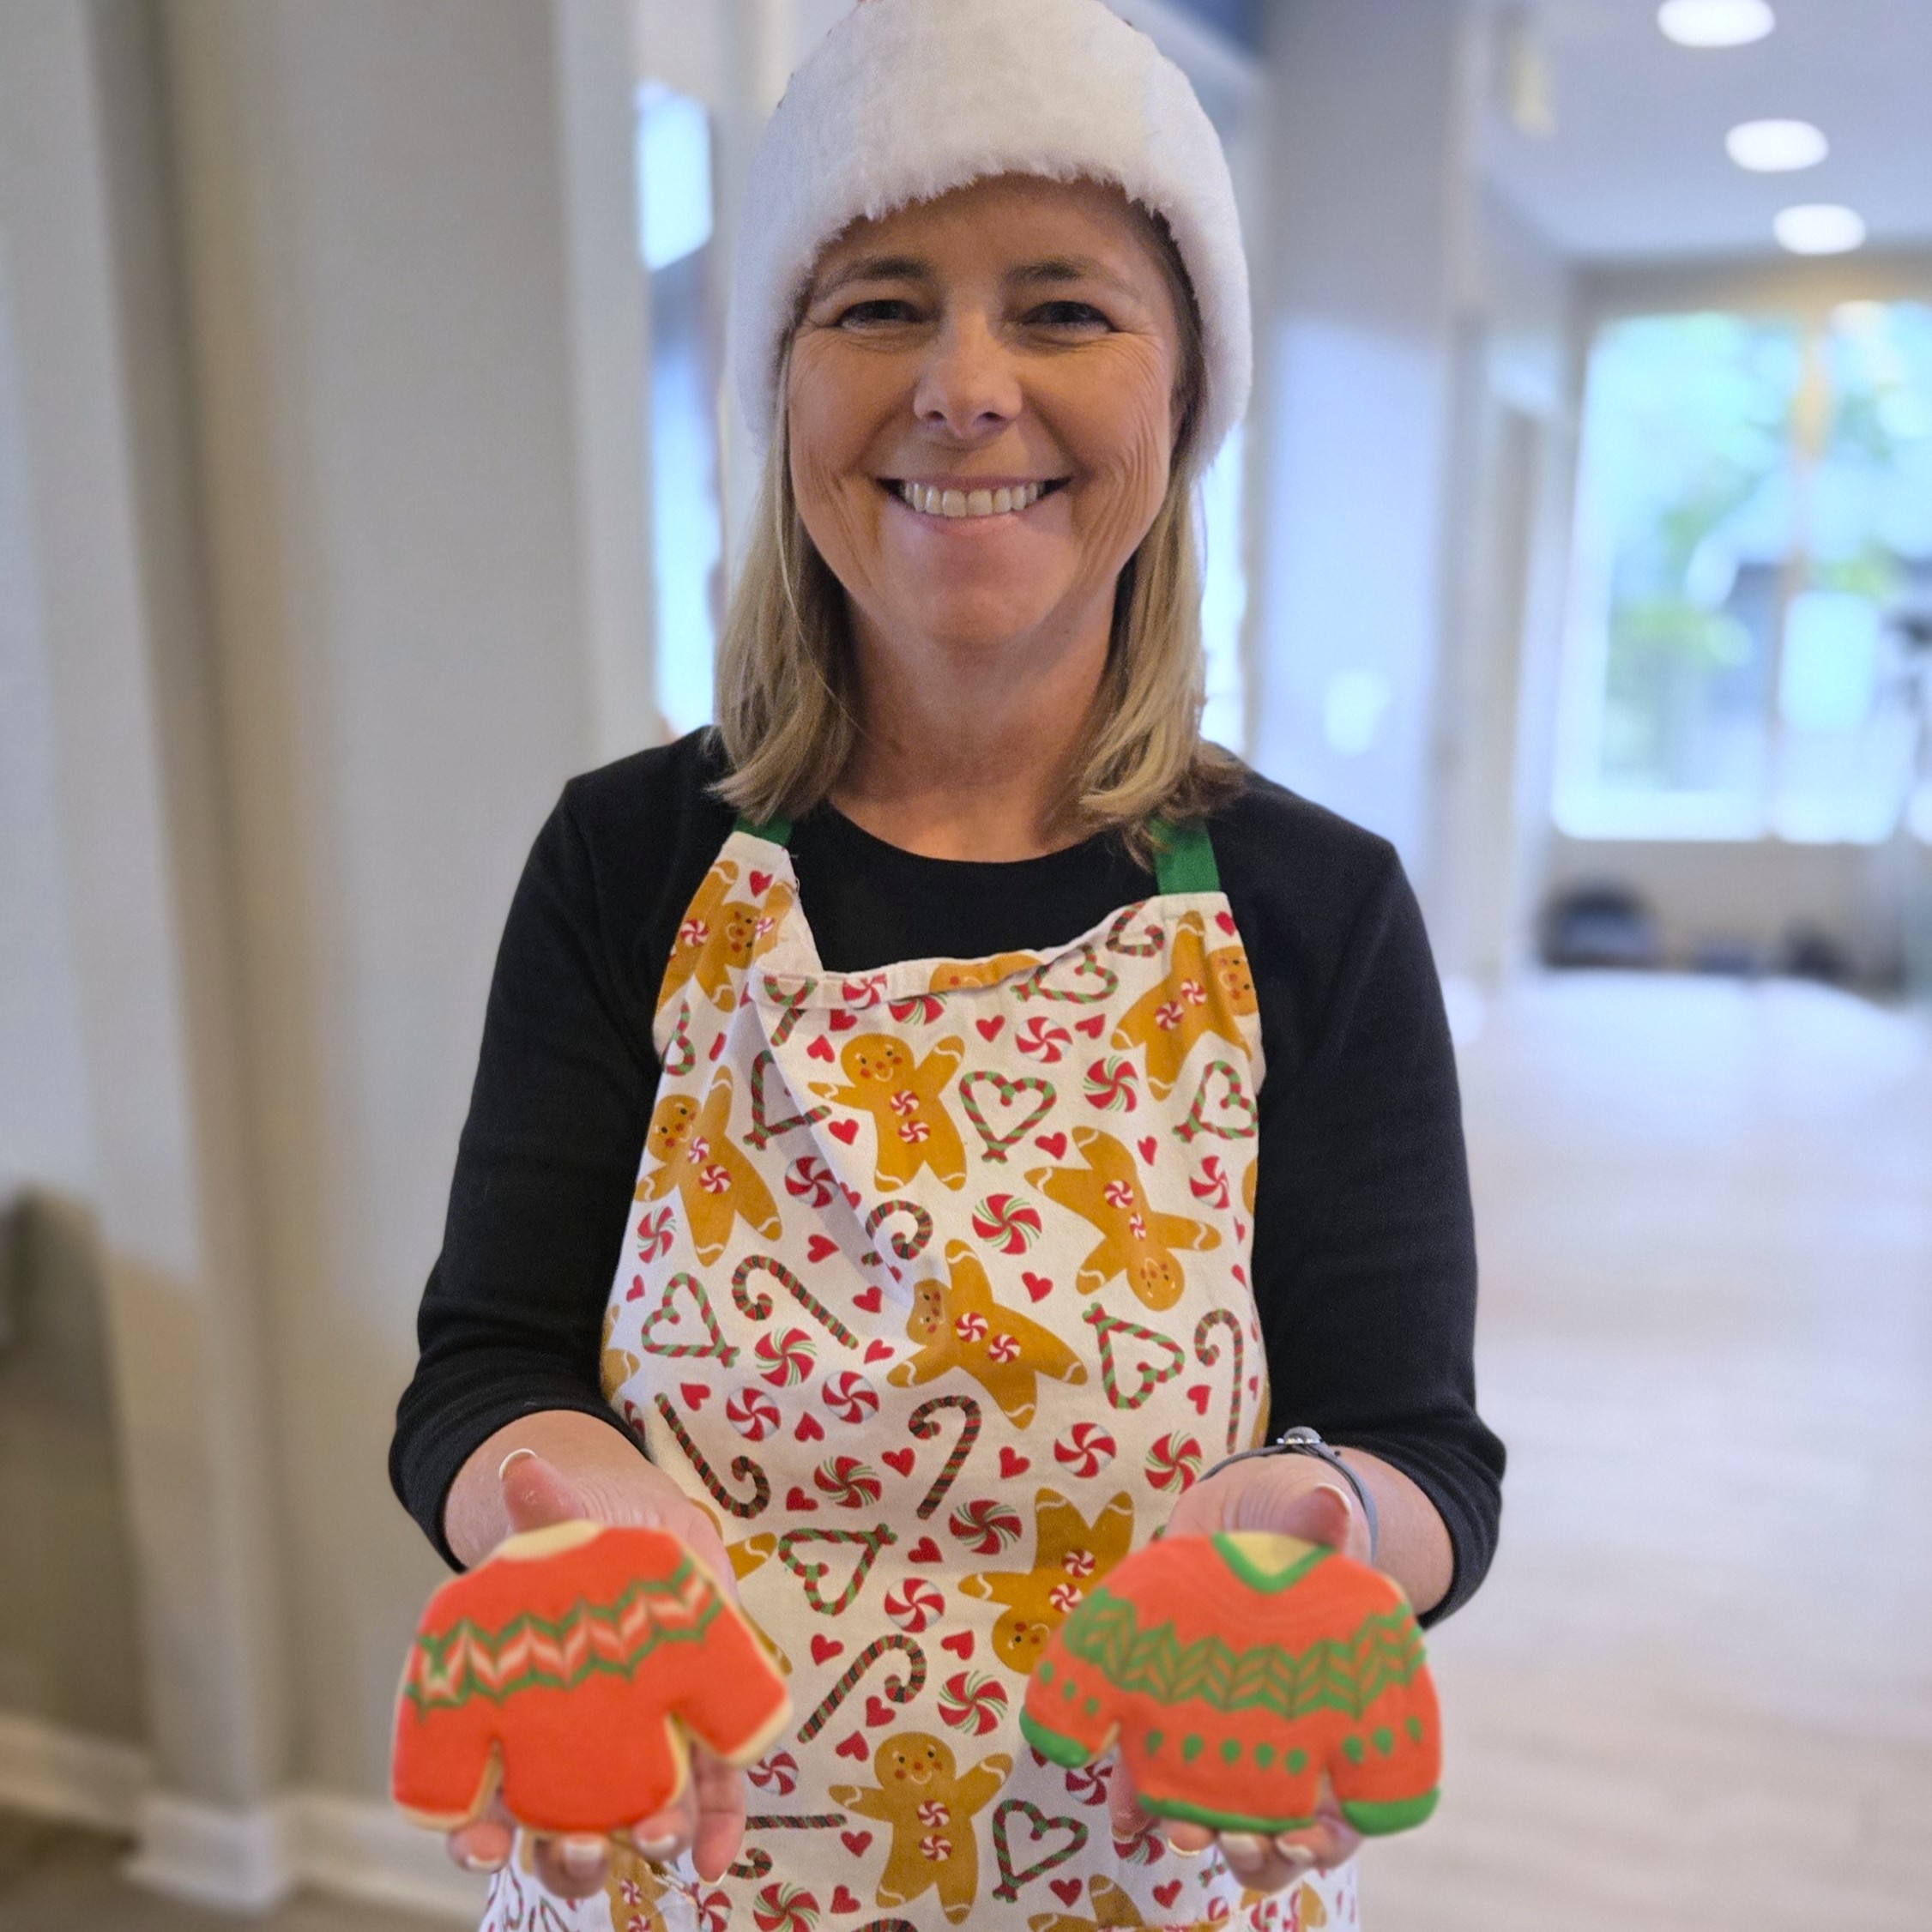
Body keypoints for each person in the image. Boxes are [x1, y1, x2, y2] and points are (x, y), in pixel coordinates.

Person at [389, 2, 1504, 1926]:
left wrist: (1319, 1535)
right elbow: (485, 1367)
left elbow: (1419, 1451)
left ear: (1181, 396)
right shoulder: (629, 863)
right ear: (782, 385)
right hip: (666, 1884)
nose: (964, 387)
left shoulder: (1314, 908)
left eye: (1063, 309)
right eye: (880, 304)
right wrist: (561, 1504)